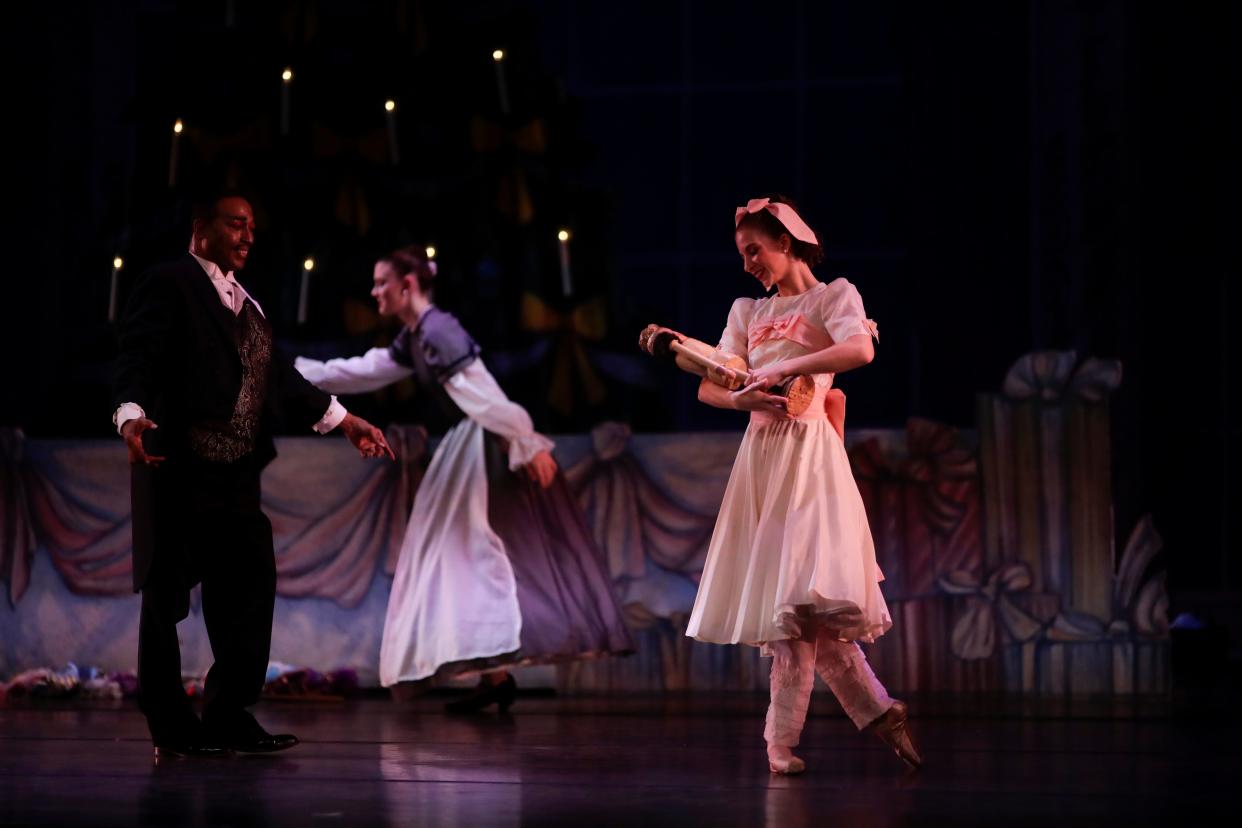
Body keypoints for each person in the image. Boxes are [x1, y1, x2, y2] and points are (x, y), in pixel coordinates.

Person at [113, 192, 393, 758]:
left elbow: (279, 379)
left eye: (252, 227)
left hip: (236, 477)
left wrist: (344, 420)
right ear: (202, 228)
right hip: (178, 466)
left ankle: (227, 714)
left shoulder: (250, 306)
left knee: (247, 589)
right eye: (235, 224)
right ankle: (172, 727)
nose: (247, 235)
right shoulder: (170, 281)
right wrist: (130, 416)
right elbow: (136, 354)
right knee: (165, 596)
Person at [295, 246, 632, 711]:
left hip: (483, 444)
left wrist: (525, 439)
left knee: (469, 554)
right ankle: (494, 676)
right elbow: (363, 370)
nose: (374, 293)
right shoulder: (416, 335)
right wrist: (294, 373)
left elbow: (485, 392)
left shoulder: (437, 330)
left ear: (407, 285)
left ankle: (494, 670)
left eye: (381, 283)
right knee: (454, 556)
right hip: (467, 445)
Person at [685, 195, 920, 774]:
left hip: (810, 459)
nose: (748, 264)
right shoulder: (747, 311)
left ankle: (781, 743)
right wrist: (737, 395)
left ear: (785, 243)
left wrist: (790, 368)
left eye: (755, 250)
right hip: (762, 462)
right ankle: (872, 715)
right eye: (742, 254)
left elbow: (860, 348)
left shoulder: (832, 296)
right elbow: (711, 383)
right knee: (795, 614)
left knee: (799, 605)